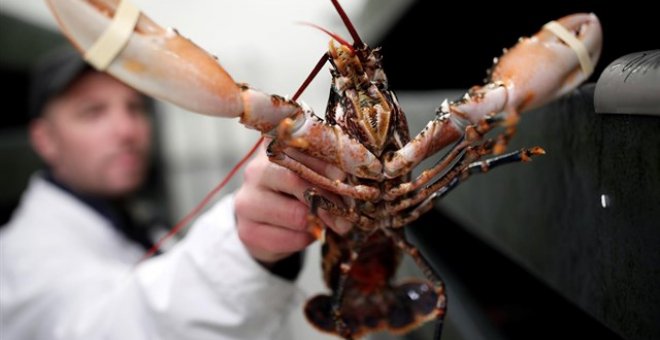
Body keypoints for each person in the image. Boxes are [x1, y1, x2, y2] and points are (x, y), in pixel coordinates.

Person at [0, 47, 349, 340]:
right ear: (44, 139)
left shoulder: (128, 218)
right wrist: (244, 244)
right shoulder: (24, 257)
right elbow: (112, 327)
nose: (127, 130)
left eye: (134, 108)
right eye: (93, 112)